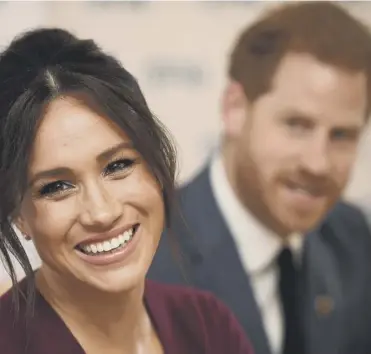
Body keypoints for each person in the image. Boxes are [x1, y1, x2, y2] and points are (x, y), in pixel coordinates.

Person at [0, 28, 253, 354]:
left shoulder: (207, 324)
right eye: (57, 187)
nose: (102, 212)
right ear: (18, 214)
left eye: (118, 166)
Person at [148, 2, 371, 354]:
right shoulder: (148, 259)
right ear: (235, 108)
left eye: (342, 135)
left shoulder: (351, 239)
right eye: (296, 125)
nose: (318, 163)